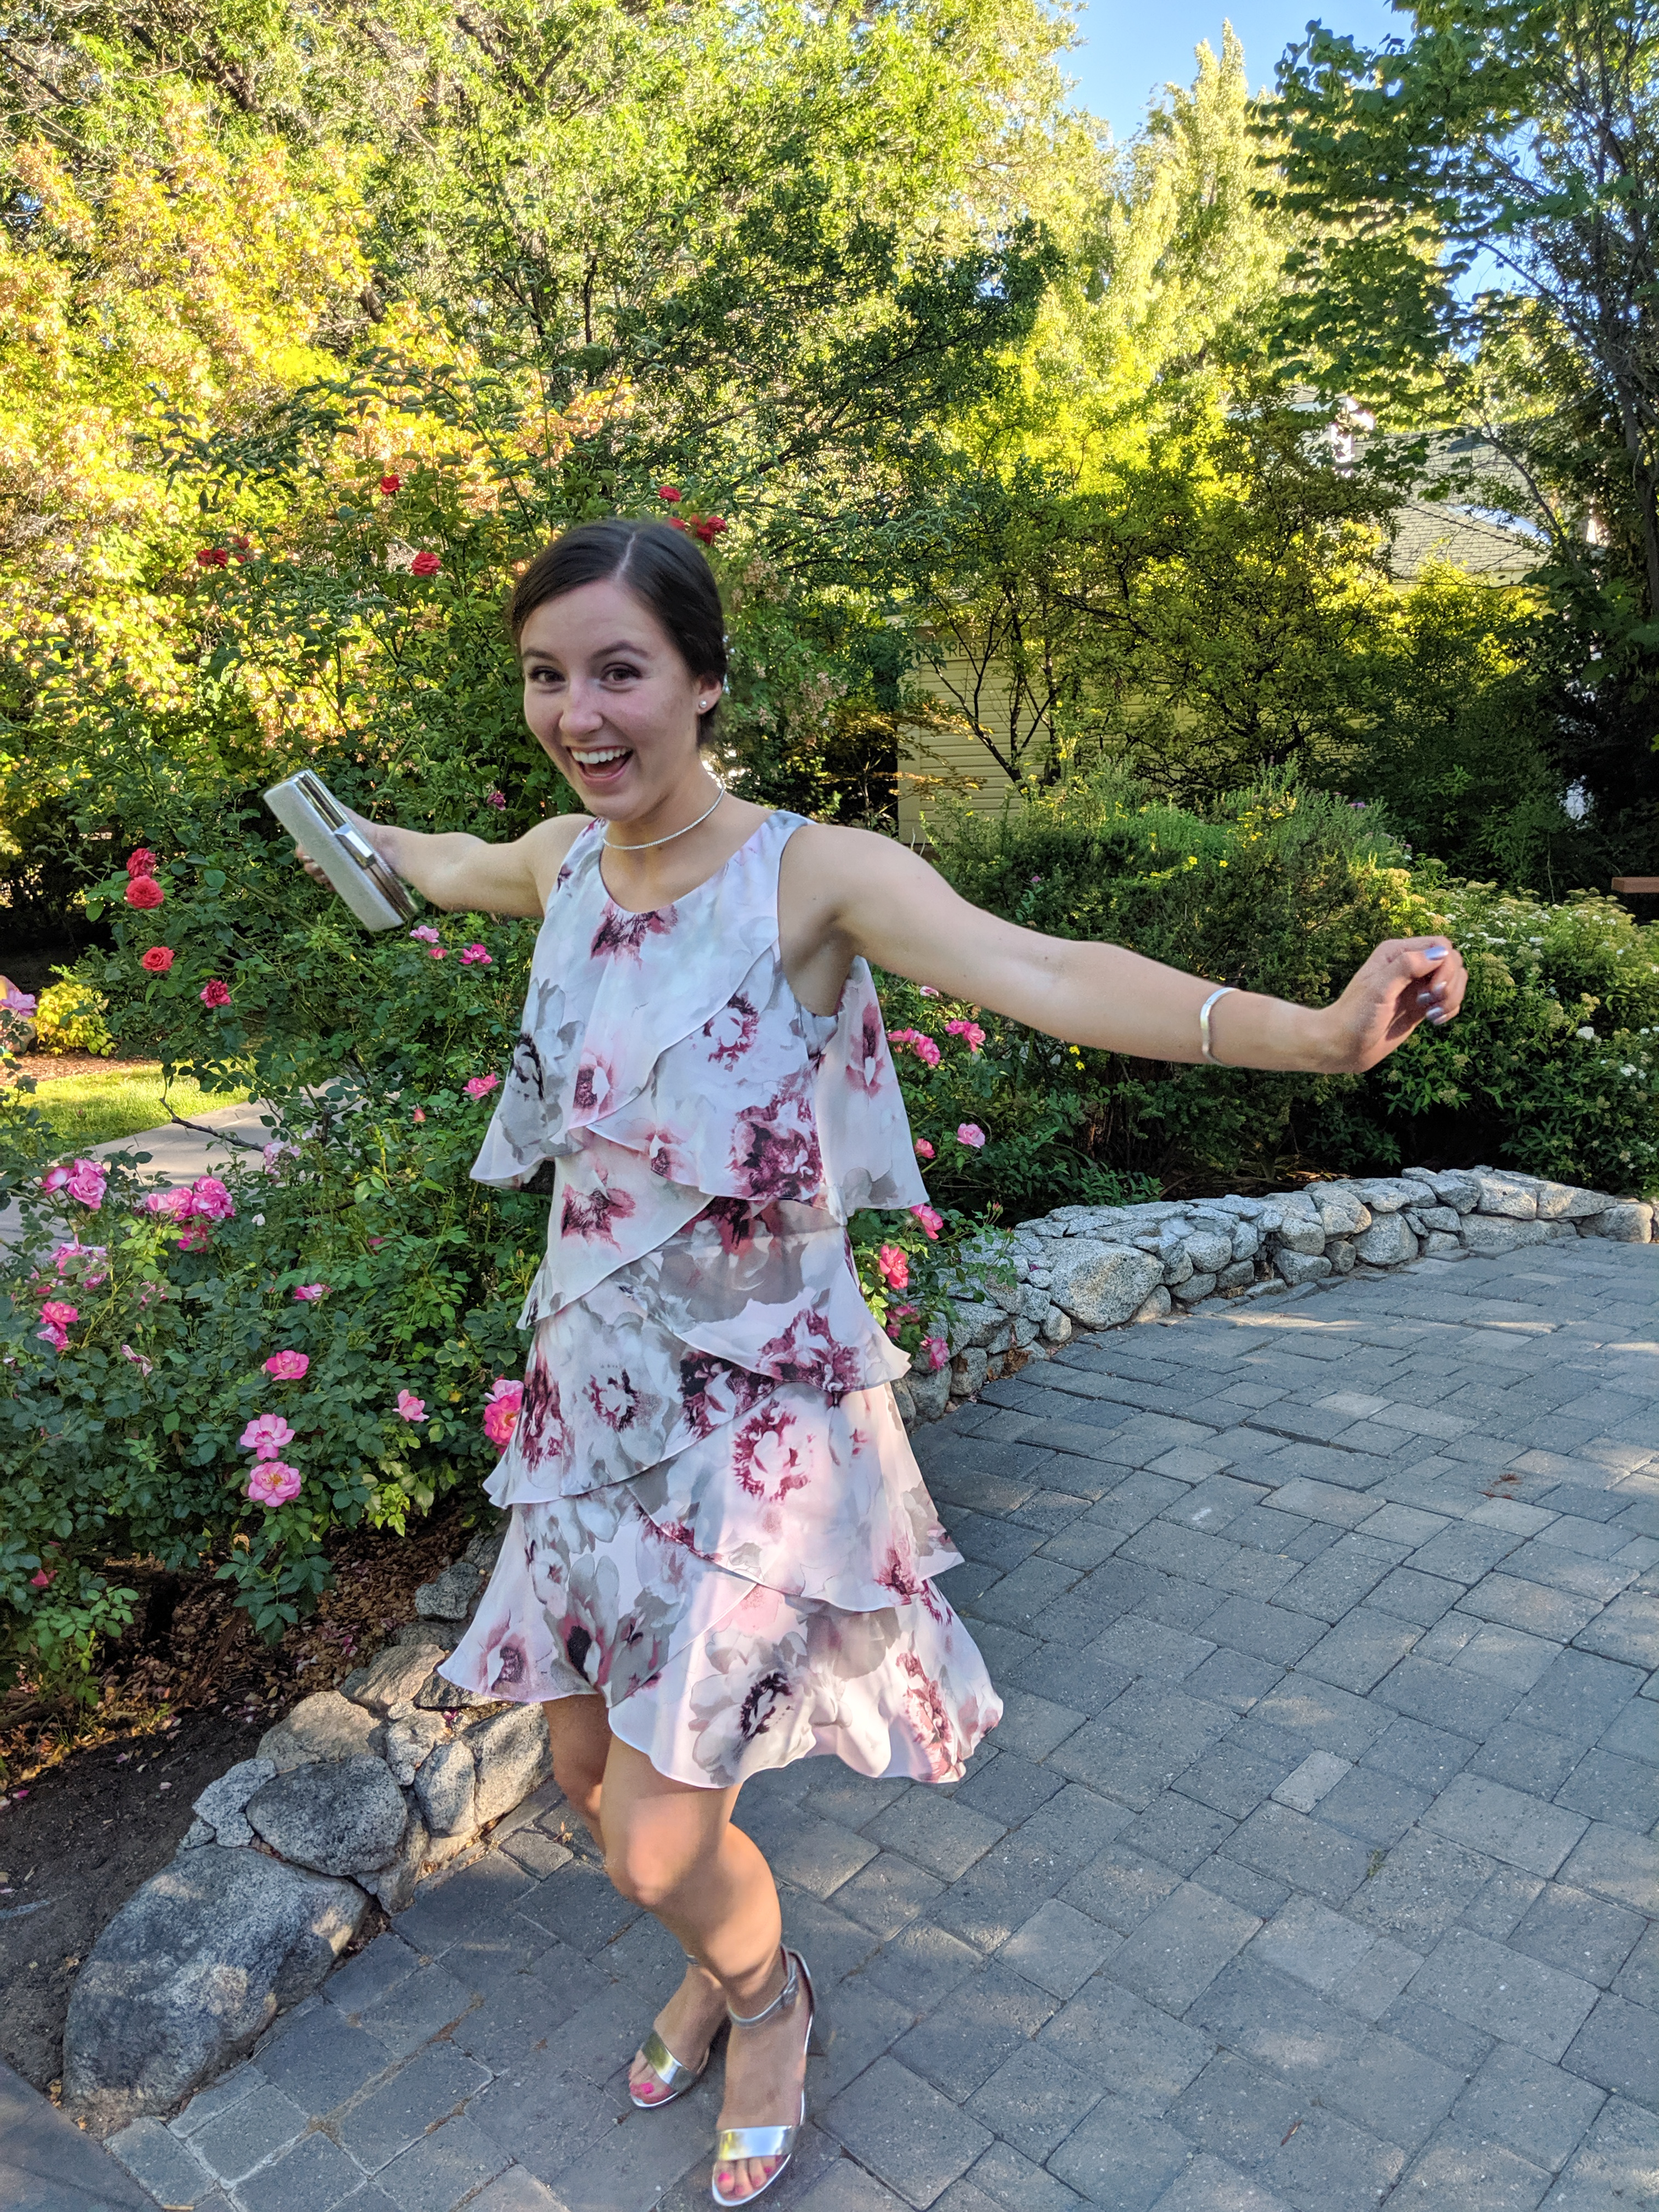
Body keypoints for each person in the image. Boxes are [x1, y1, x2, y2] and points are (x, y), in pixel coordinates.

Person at [298, 517, 1466, 2205]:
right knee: (575, 1772)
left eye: (620, 670)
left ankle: (766, 1998)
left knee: (648, 1836)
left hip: (751, 1432)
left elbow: (1044, 970)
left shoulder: (813, 874)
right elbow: (445, 856)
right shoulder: (562, 857)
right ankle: (717, 1954)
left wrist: (1309, 1032)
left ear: (703, 681)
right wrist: (339, 828)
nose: (580, 710)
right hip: (587, 1404)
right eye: (548, 677)